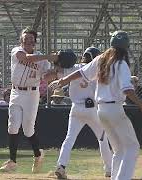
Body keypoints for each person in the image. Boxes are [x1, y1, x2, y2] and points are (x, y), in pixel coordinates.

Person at [50, 31, 142, 180]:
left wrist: (63, 81)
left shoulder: (101, 60)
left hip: (100, 110)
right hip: (113, 108)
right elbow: (127, 89)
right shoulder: (121, 63)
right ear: (126, 47)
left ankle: (114, 175)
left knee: (119, 150)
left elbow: (81, 72)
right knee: (132, 147)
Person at [0, 27, 58, 173]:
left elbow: (46, 78)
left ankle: (38, 154)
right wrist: (49, 56)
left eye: (31, 40)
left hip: (32, 94)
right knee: (12, 126)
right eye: (25, 40)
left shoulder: (43, 61)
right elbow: (25, 58)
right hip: (16, 91)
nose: (28, 42)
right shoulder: (16, 51)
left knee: (28, 129)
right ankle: (12, 161)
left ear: (35, 42)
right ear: (21, 42)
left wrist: (57, 69)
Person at [49, 47, 112, 179]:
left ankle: (61, 166)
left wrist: (57, 61)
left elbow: (58, 72)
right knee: (102, 139)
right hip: (92, 109)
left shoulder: (74, 67)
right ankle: (109, 169)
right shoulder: (98, 69)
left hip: (76, 108)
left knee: (69, 138)